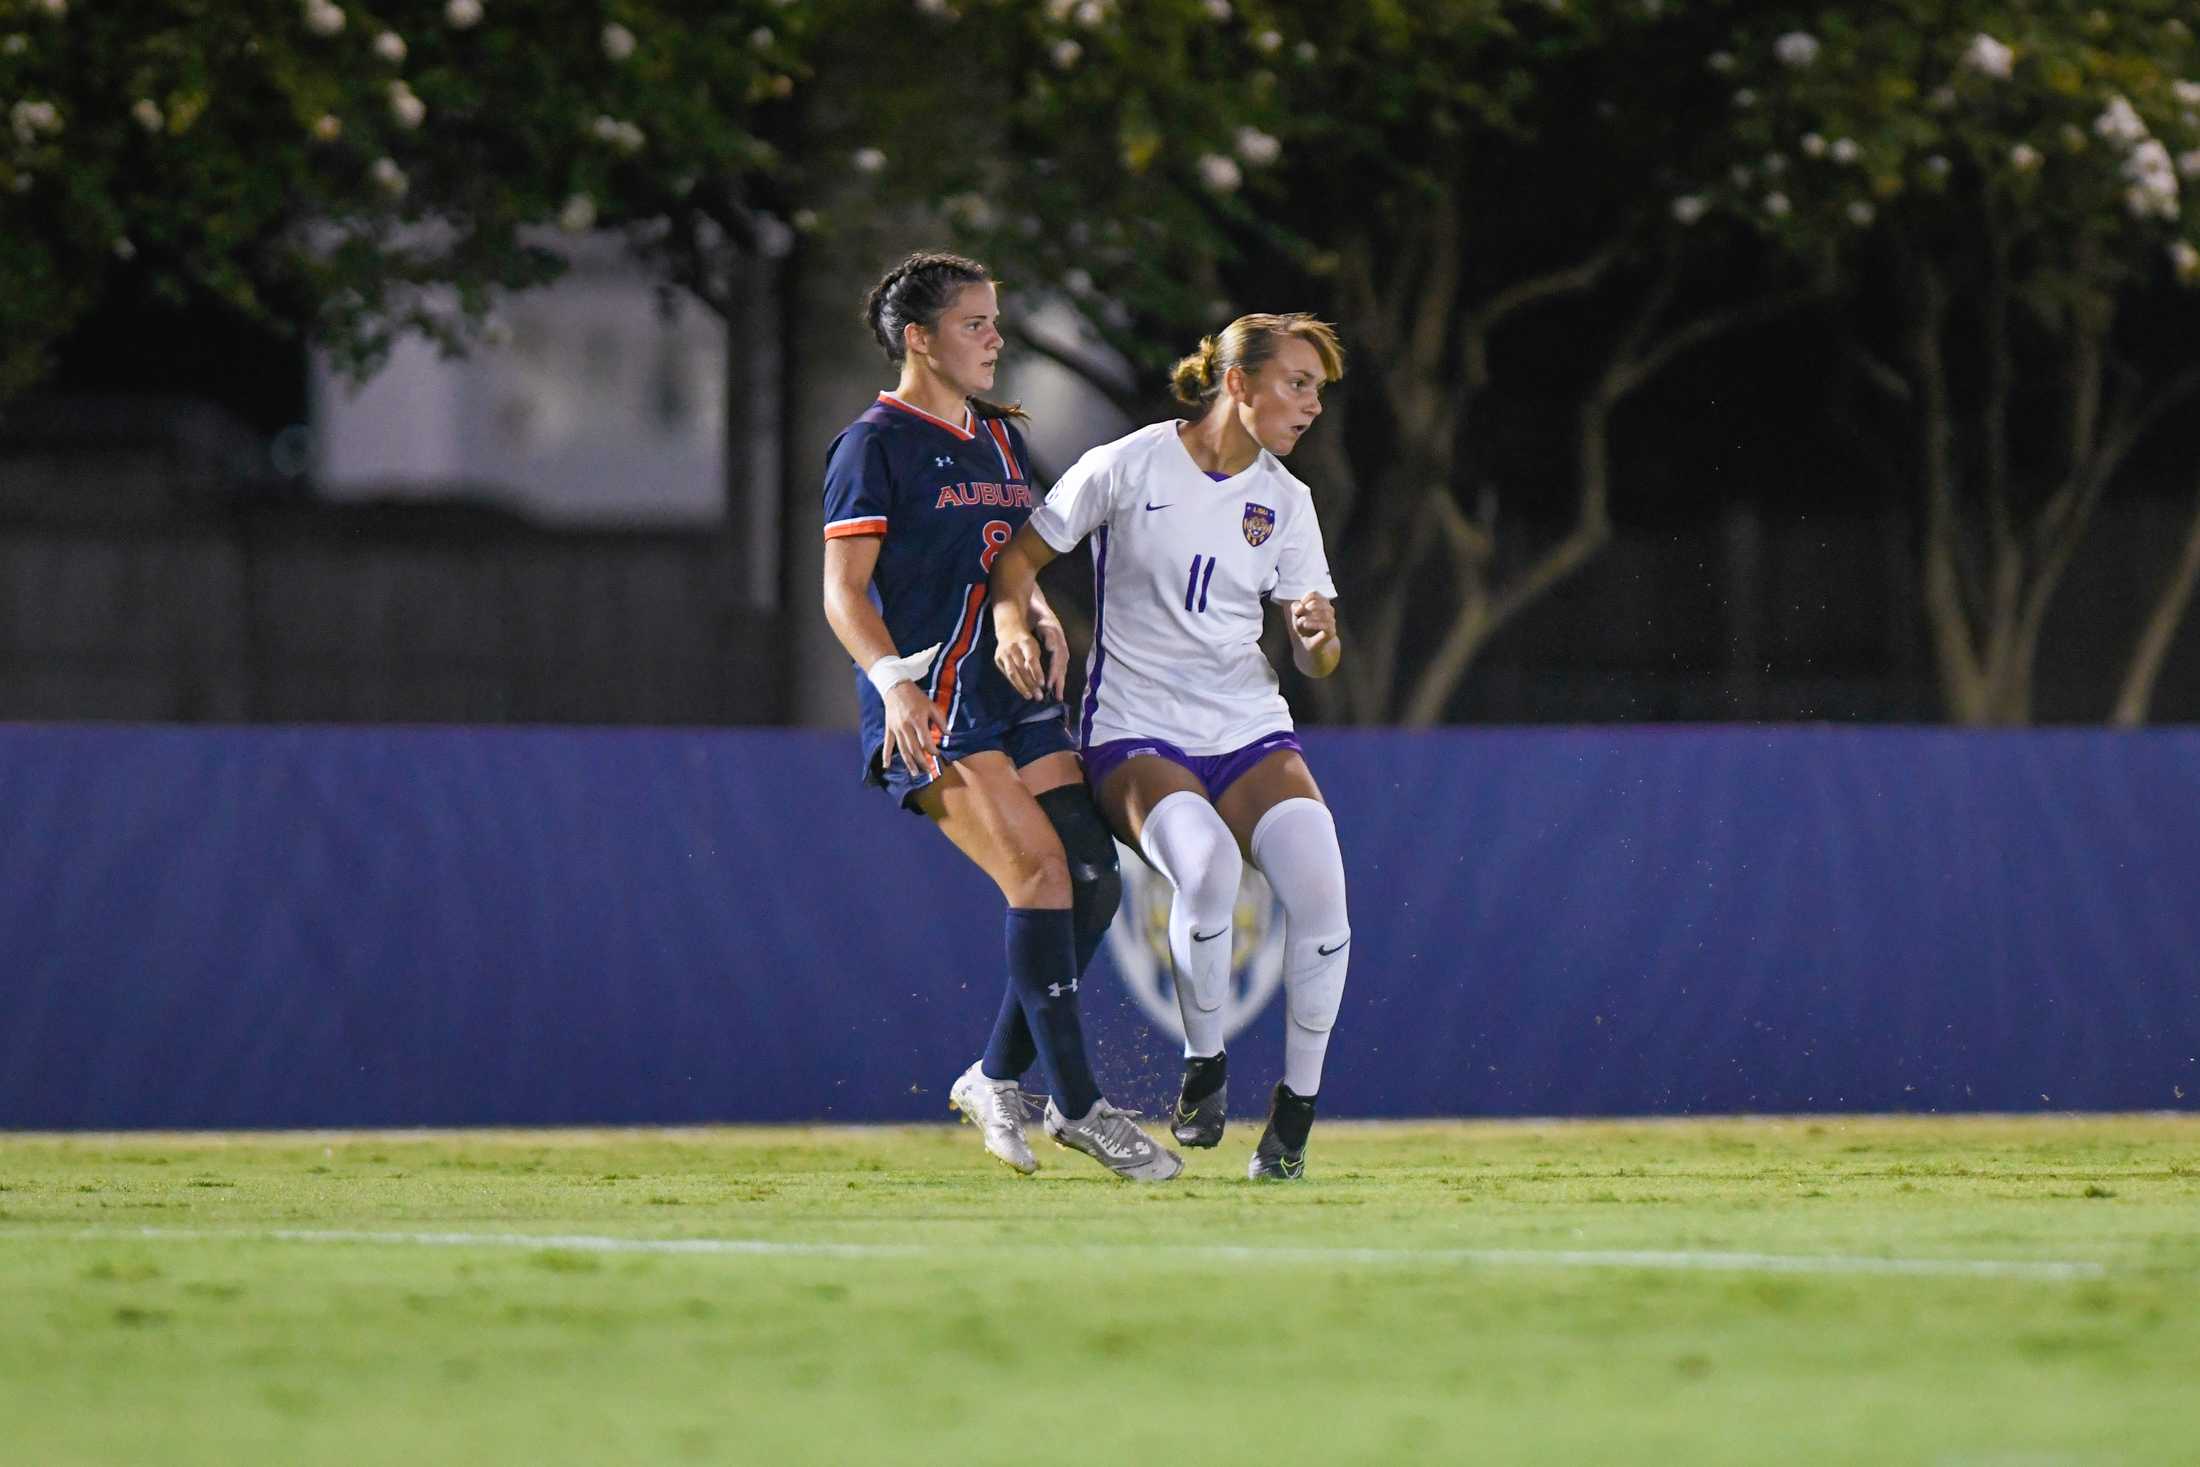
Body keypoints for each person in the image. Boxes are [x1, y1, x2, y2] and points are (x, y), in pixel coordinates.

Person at [819, 250, 1181, 1182]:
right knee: (1037, 869)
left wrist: (1033, 611)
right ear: (919, 339)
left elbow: (1005, 566)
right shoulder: (873, 444)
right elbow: (842, 593)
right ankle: (1082, 1105)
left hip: (1010, 695)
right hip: (933, 702)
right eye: (974, 322)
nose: (995, 338)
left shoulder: (996, 437)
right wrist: (895, 683)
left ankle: (995, 1074)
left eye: (994, 320)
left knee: (1094, 875)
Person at [988, 313, 1350, 1182]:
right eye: (1297, 383)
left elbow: (1320, 659)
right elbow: (1018, 558)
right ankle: (1205, 1066)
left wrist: (1315, 635)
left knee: (1323, 895)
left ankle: (1293, 1118)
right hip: (1134, 728)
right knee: (1209, 869)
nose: (1311, 405)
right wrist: (1013, 616)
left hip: (1246, 725)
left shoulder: (1287, 501)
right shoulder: (1128, 462)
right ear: (1238, 382)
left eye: (1319, 391)